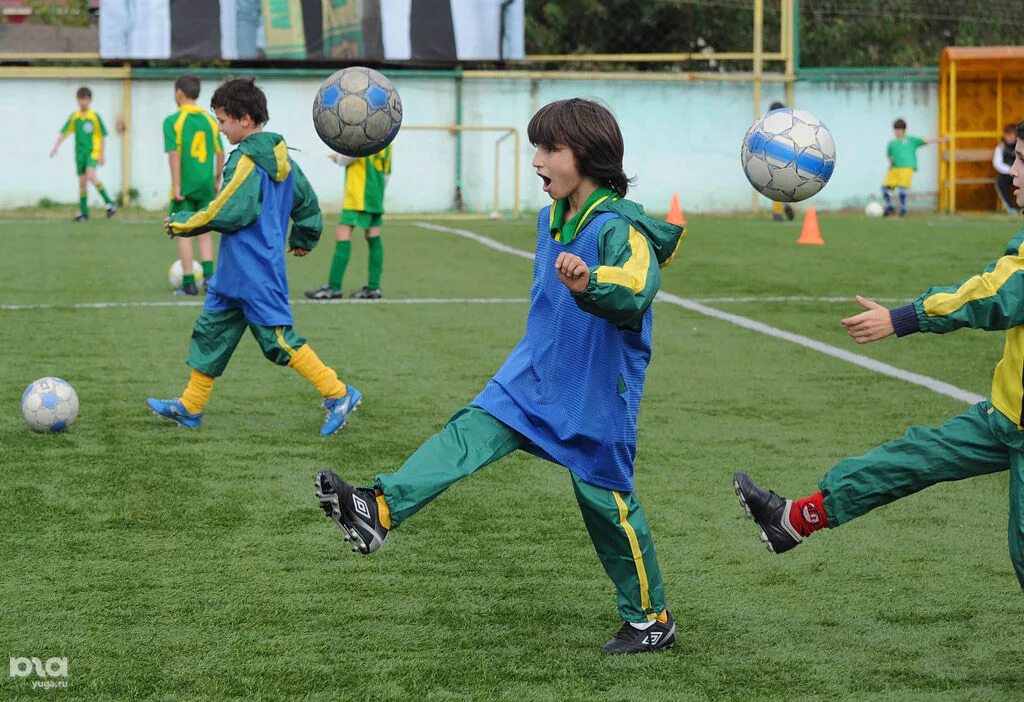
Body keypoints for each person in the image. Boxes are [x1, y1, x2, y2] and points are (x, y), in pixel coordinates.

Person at [314, 98, 686, 654]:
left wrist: (591, 282)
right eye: (536, 146)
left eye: (549, 148)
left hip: (593, 388)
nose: (536, 160)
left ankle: (650, 618)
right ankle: (378, 509)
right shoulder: (551, 218)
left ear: (587, 155)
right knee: (468, 431)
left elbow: (636, 285)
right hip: (533, 372)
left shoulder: (617, 226)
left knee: (607, 505)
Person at [734, 120, 1024, 592]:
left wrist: (902, 318)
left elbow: (994, 296)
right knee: (910, 458)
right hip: (1005, 418)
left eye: (1020, 160)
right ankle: (793, 520)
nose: (1011, 169)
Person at [146, 78, 361, 437]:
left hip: (256, 270)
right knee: (212, 329)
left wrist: (183, 222)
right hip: (235, 269)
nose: (220, 127)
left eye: (223, 121)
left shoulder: (246, 160)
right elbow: (307, 202)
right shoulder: (284, 158)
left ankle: (338, 393)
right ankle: (190, 406)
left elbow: (229, 210)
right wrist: (304, 235)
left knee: (276, 340)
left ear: (245, 119)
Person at [163, 74, 224, 296]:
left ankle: (189, 282)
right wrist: (217, 180)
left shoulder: (173, 121)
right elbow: (220, 153)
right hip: (206, 183)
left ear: (179, 92)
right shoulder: (210, 120)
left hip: (185, 185)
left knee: (183, 230)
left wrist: (176, 184)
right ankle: (209, 278)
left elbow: (174, 154)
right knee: (205, 230)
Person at [305, 146, 392, 300]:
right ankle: (374, 287)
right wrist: (378, 193)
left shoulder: (364, 136)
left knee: (342, 234)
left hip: (358, 196)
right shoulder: (387, 139)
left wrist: (337, 158)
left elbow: (351, 157)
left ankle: (334, 287)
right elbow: (387, 173)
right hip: (376, 194)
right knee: (373, 235)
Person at [50, 86, 118, 222]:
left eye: (85, 99)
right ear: (77, 100)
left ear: (90, 100)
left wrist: (102, 154)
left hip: (92, 152)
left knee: (91, 175)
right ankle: (84, 213)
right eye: (80, 99)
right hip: (79, 154)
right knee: (82, 183)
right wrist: (55, 147)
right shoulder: (75, 117)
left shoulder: (94, 117)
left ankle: (110, 203)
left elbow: (102, 135)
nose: (83, 102)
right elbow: (65, 132)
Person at [881, 118, 944, 218]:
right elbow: (890, 156)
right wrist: (891, 162)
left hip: (906, 168)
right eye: (896, 130)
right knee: (884, 189)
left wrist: (941, 140)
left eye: (899, 130)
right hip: (894, 169)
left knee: (902, 188)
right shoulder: (892, 143)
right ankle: (890, 209)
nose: (897, 132)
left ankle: (902, 211)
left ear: (904, 130)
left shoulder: (910, 140)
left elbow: (925, 140)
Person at [767, 101, 795, 222]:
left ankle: (778, 212)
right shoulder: (787, 122)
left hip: (773, 158)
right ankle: (785, 206)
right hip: (787, 157)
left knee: (776, 185)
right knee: (783, 185)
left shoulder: (768, 123)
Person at [994, 123, 1018, 214]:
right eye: (1007, 134)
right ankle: (1011, 209)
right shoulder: (1000, 147)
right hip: (1007, 174)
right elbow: (997, 163)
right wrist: (1010, 170)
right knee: (1000, 183)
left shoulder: (1020, 146)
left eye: (1011, 134)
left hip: (1020, 173)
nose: (1009, 137)